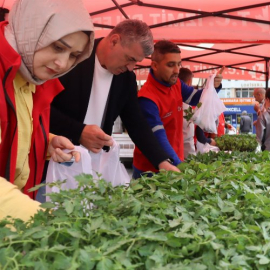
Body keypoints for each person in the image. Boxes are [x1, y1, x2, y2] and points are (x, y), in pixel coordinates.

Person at [49, 20, 179, 178]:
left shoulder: (126, 78)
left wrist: (162, 161)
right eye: (129, 59)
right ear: (114, 41)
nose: (131, 67)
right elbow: (41, 109)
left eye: (136, 62)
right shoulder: (73, 59)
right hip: (53, 162)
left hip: (95, 167)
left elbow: (136, 123)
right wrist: (79, 131)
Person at [0, 0, 95, 200]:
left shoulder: (32, 77)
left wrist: (46, 141)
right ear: (31, 29)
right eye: (58, 47)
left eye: (74, 55)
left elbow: (17, 130)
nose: (62, 64)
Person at [133, 40, 223, 178]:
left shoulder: (175, 83)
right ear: (155, 65)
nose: (177, 70)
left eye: (179, 64)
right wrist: (181, 167)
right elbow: (159, 139)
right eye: (170, 65)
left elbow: (196, 98)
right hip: (151, 171)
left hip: (175, 162)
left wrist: (212, 86)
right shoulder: (146, 99)